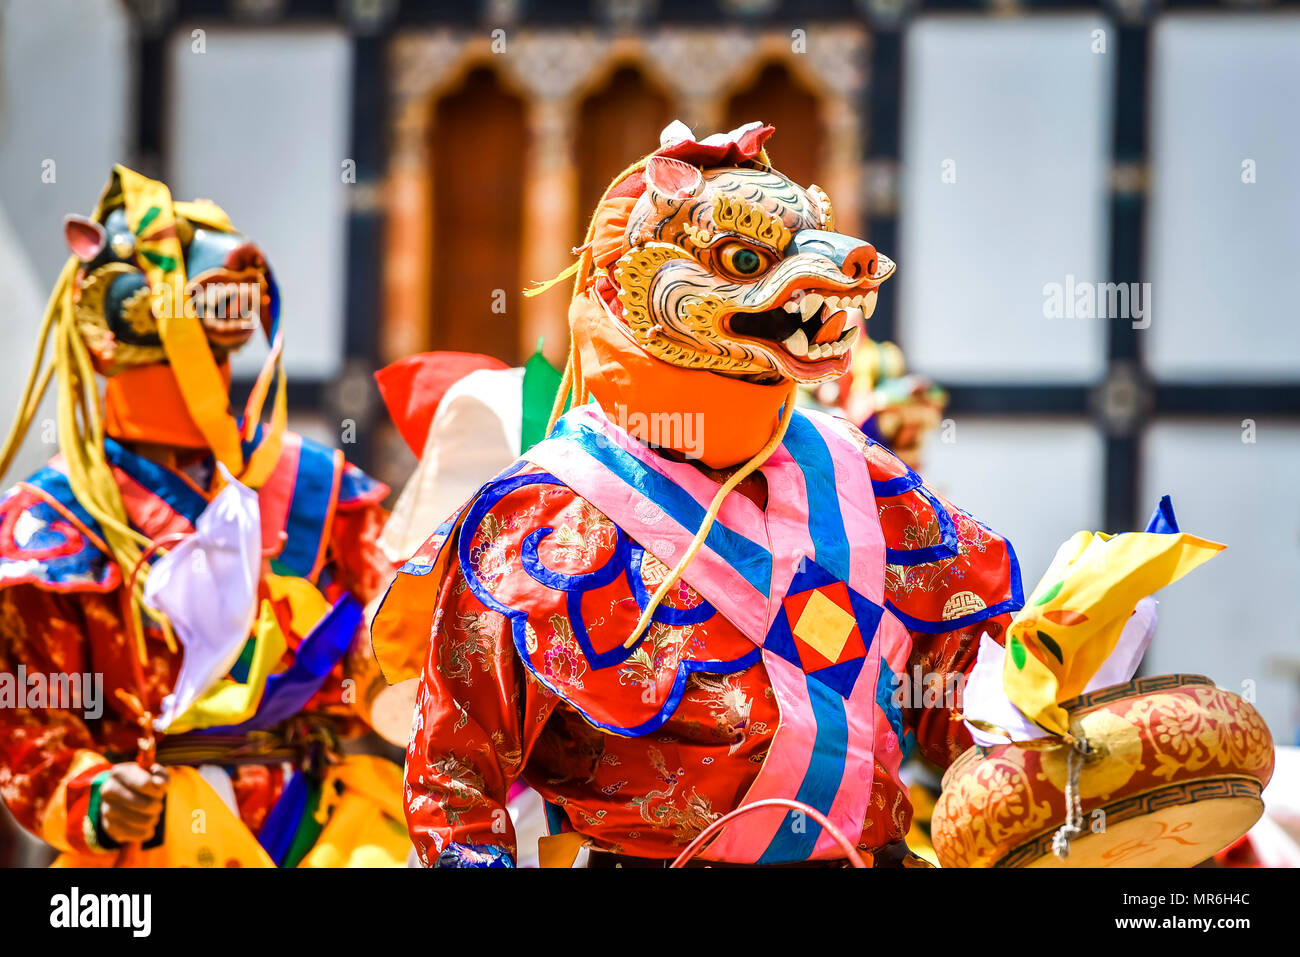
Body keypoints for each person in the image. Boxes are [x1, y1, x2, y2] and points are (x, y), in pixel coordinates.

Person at [372, 122, 1023, 867]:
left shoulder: (863, 478)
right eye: (745, 260)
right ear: (640, 280)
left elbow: (976, 700)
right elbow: (455, 777)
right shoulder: (539, 512)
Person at [0, 167, 403, 867]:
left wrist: (402, 682)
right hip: (150, 840)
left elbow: (390, 647)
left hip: (315, 825)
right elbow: (27, 725)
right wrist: (97, 792)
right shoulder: (53, 521)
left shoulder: (317, 487)